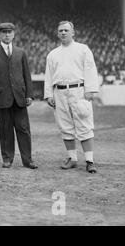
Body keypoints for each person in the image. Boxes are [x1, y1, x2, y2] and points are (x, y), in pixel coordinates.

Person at [44, 21, 99, 173]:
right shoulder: (53, 54)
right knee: (65, 126)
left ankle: (89, 160)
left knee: (84, 124)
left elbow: (90, 69)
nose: (63, 33)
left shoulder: (83, 49)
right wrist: (48, 94)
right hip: (59, 91)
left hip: (79, 90)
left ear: (73, 32)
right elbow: (49, 76)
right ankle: (72, 158)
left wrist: (90, 90)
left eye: (66, 30)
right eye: (60, 30)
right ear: (57, 33)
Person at [0, 23, 37, 169]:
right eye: (4, 32)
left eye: (9, 32)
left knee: (24, 129)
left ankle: (28, 160)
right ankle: (7, 158)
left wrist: (29, 94)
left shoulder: (21, 53)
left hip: (19, 98)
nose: (7, 35)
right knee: (5, 129)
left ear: (14, 34)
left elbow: (27, 75)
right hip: (2, 98)